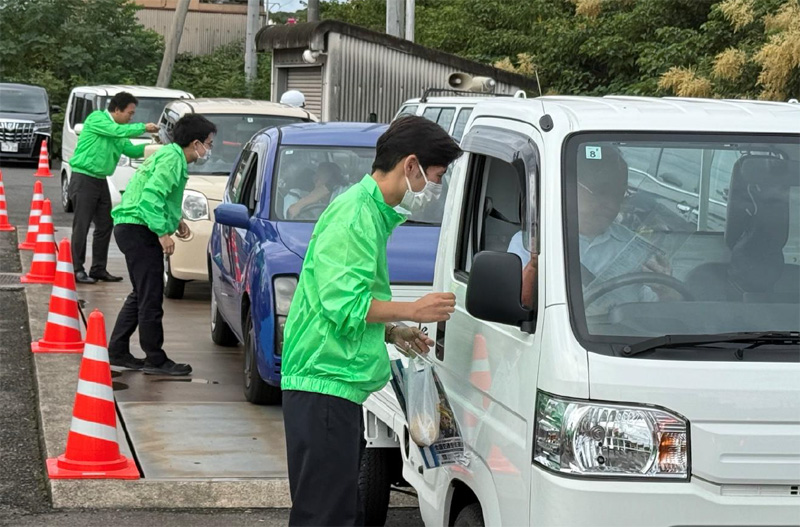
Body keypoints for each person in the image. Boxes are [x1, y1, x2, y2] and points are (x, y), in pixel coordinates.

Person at [280, 115, 462, 526]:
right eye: (436, 176)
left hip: (332, 381)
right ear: (410, 165)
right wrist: (411, 309)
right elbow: (343, 304)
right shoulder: (354, 216)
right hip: (322, 381)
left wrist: (393, 331)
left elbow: (348, 303)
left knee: (338, 510)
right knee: (326, 516)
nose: (434, 188)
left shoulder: (368, 214)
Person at [107, 114, 217, 375]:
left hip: (131, 226)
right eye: (209, 144)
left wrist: (175, 220)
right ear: (196, 143)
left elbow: (160, 195)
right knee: (151, 297)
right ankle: (155, 358)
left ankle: (118, 350)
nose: (209, 149)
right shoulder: (172, 159)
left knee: (141, 294)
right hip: (139, 228)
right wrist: (162, 233)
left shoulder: (170, 155)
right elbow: (150, 197)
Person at [508, 145, 669, 307]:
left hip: (623, 330)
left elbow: (655, 315)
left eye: (619, 195)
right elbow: (520, 308)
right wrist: (535, 265)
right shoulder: (531, 242)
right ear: (571, 187)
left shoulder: (633, 247)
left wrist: (664, 289)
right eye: (602, 192)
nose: (612, 205)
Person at [68, 92, 159, 284]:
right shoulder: (98, 119)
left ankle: (98, 268)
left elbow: (132, 150)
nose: (131, 117)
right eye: (130, 113)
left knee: (105, 224)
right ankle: (76, 268)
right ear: (117, 110)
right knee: (81, 225)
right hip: (84, 177)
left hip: (100, 179)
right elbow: (116, 132)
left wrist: (156, 149)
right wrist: (144, 127)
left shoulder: (118, 130)